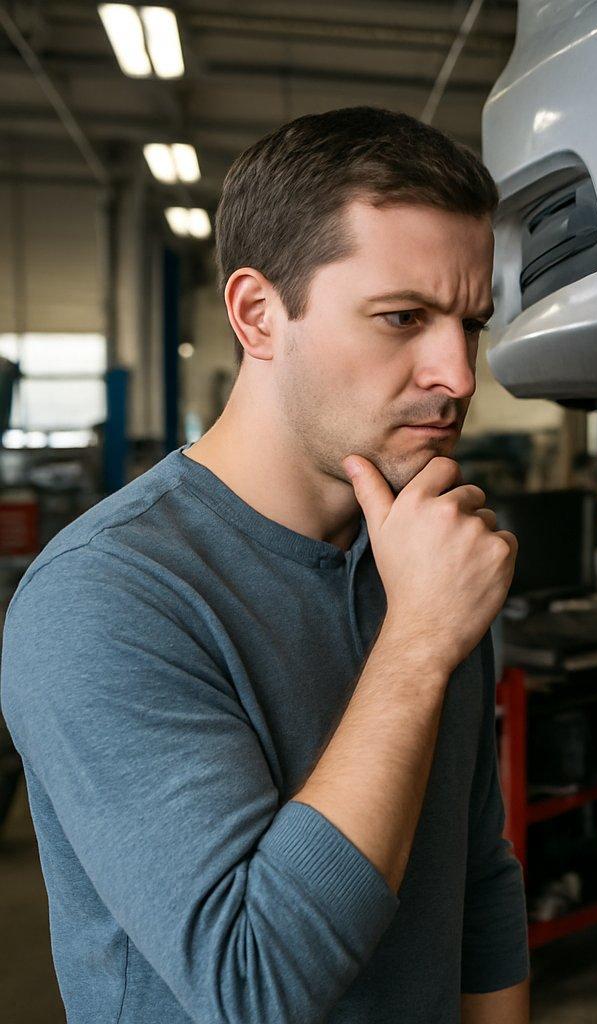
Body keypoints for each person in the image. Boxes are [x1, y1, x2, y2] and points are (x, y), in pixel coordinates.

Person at [1, 107, 528, 1023]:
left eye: (470, 323)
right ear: (257, 316)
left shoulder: (416, 560)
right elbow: (253, 983)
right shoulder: (104, 597)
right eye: (402, 317)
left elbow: (473, 880)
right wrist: (418, 644)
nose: (458, 374)